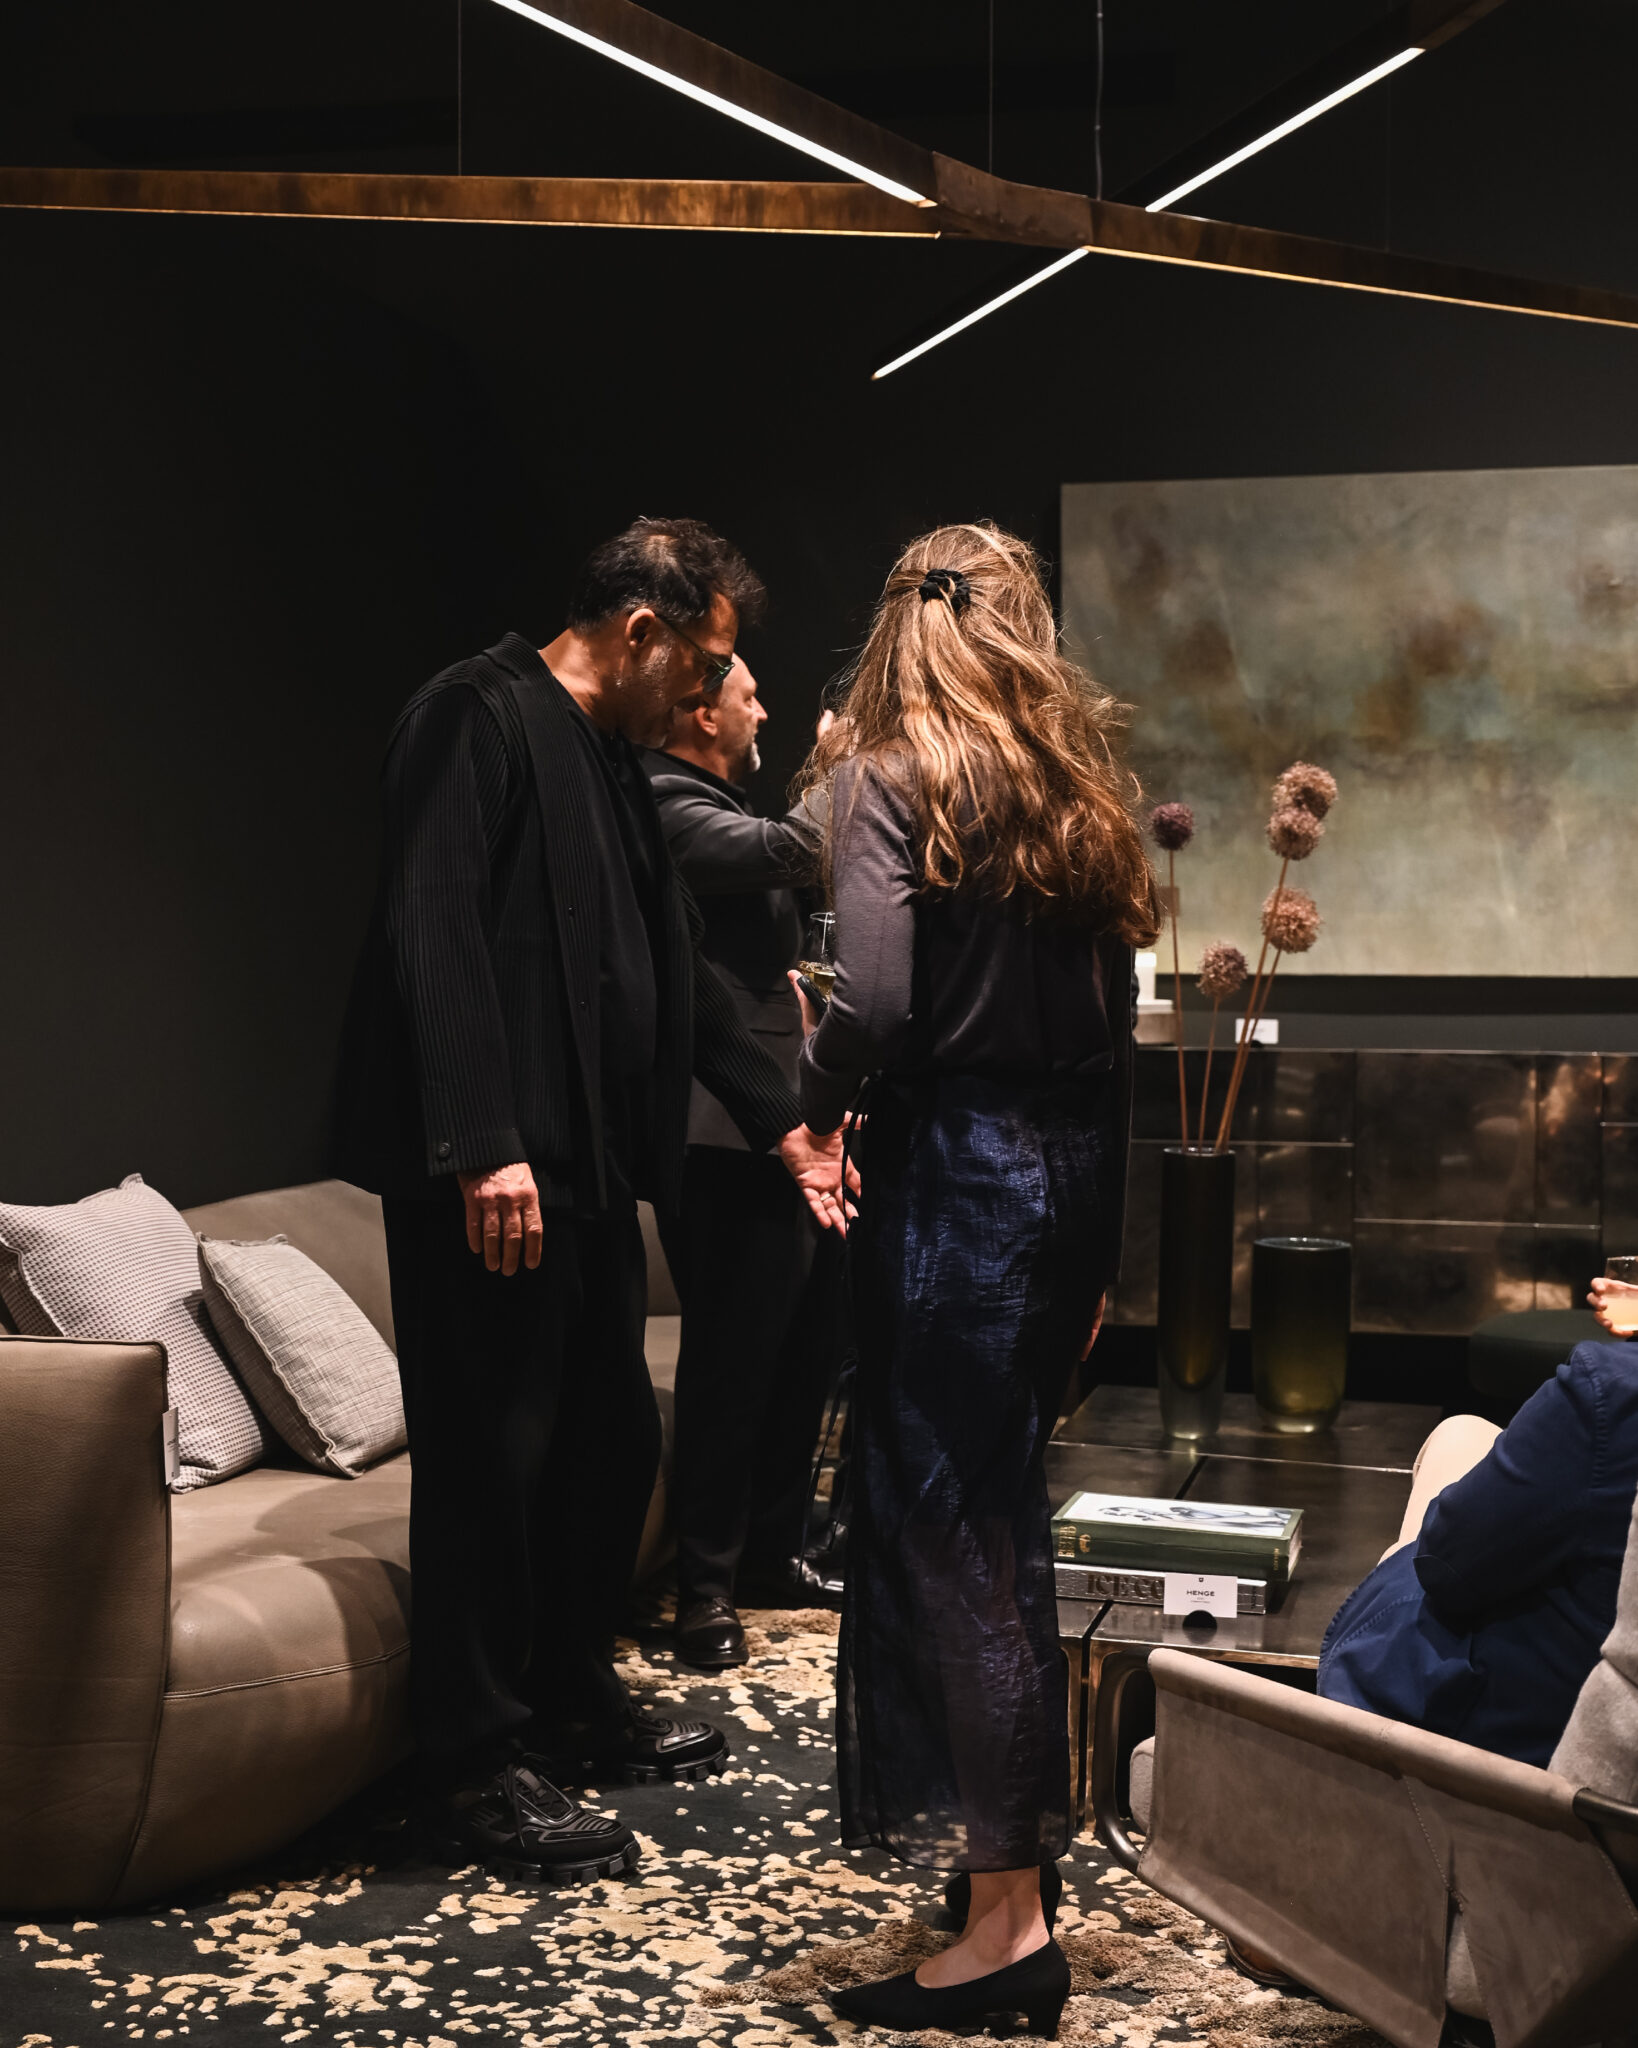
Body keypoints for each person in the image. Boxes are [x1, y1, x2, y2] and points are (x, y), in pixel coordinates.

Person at [332, 517, 850, 1885]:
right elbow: (432, 925)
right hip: (494, 1174)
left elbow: (674, 974)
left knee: (606, 1444)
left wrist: (784, 1126)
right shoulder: (470, 715)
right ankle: (474, 1758)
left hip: (595, 1173)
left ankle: (567, 1693)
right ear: (640, 633)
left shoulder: (613, 762)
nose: (709, 689)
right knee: (486, 1461)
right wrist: (480, 1141)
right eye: (705, 663)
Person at [789, 523, 1159, 2038]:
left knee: (951, 1538)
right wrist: (1102, 1258)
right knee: (1005, 1524)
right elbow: (1115, 1050)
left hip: (953, 1185)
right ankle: (1017, 1876)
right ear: (1024, 628)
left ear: (901, 627)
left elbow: (874, 1003)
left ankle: (1006, 1930)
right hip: (1065, 1187)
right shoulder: (1081, 800)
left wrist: (812, 1098)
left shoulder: (887, 781)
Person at [643, 664, 843, 1670]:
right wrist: (844, 763)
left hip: (786, 1126)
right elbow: (795, 846)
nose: (763, 711)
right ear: (698, 708)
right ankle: (704, 1589)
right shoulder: (660, 800)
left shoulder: (715, 804)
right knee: (732, 1363)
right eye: (750, 696)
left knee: (802, 1351)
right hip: (720, 1131)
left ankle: (769, 1553)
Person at [1318, 1325, 1638, 1769]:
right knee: (1465, 1433)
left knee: (1451, 1455)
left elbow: (1445, 1565)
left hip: (1520, 1741)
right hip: (1581, 1675)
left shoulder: (1610, 1390)